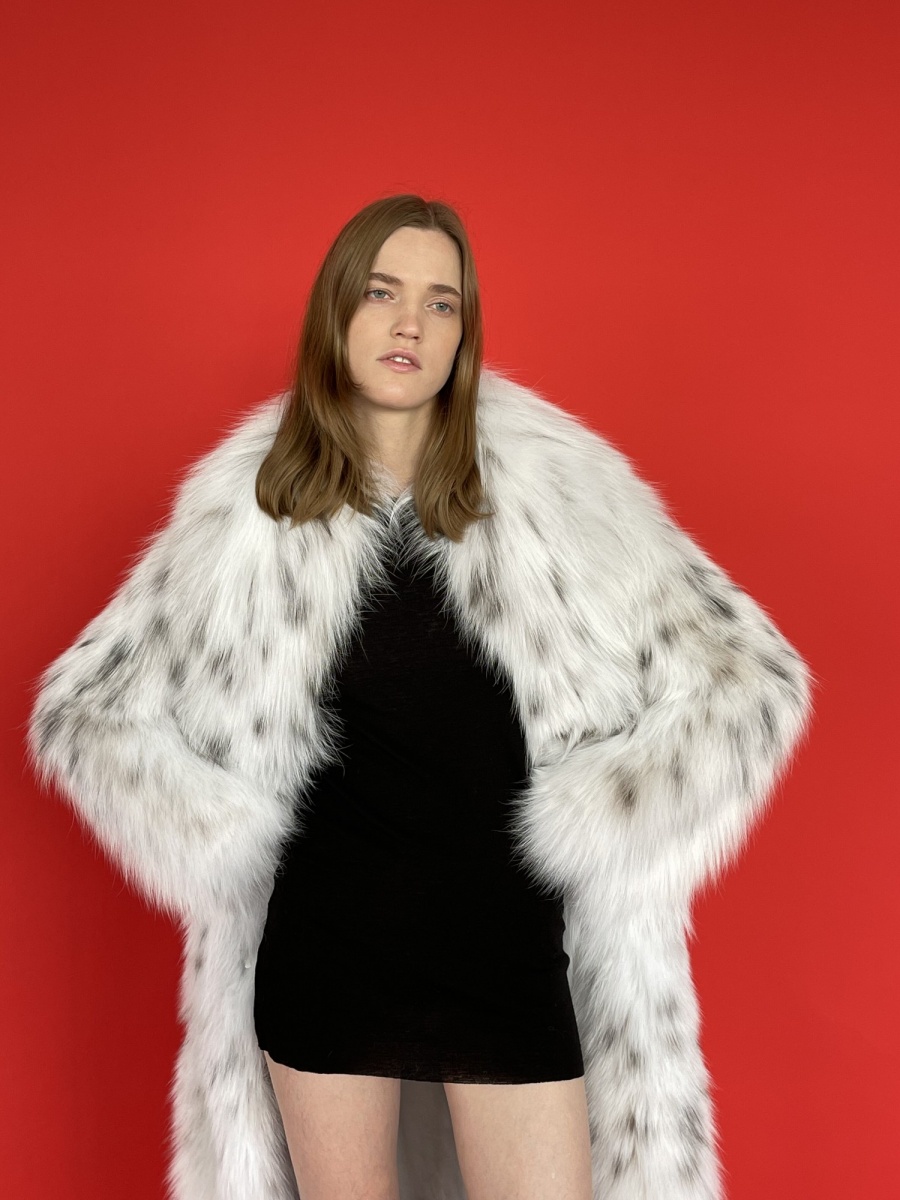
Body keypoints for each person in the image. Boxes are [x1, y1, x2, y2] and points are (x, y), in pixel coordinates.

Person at [26, 193, 812, 1200]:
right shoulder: (244, 512)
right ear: (335, 311)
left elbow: (752, 679)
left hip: (508, 953)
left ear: (463, 332)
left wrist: (595, 819)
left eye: (442, 303)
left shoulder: (560, 495)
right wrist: (225, 836)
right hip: (327, 954)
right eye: (382, 293)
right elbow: (84, 711)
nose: (411, 324)